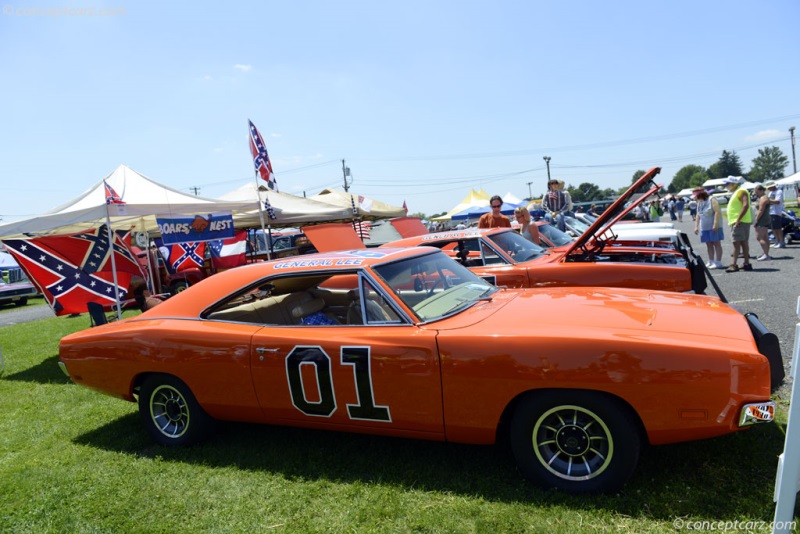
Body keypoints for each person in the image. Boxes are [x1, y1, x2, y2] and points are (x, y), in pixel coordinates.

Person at [723, 176, 752, 272]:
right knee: (743, 242)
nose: (726, 186)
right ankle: (746, 263)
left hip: (739, 221)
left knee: (736, 243)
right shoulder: (737, 192)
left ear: (733, 184)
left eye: (727, 184)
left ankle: (733, 264)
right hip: (741, 221)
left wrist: (738, 219)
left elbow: (745, 205)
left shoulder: (741, 191)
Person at [693, 187, 724, 269]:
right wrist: (696, 226)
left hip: (713, 225)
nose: (695, 198)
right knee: (709, 244)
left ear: (701, 194)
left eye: (696, 196)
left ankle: (718, 262)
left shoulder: (712, 199)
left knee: (716, 243)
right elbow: (697, 215)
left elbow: (717, 212)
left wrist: (715, 224)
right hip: (704, 227)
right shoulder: (699, 202)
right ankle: (711, 260)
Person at [752, 183, 772, 261]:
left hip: (762, 219)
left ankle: (766, 255)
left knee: (760, 237)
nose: (756, 193)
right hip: (765, 218)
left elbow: (761, 210)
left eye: (757, 192)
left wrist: (756, 220)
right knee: (765, 237)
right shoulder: (762, 198)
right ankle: (766, 253)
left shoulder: (763, 198)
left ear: (761, 190)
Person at [766, 180, 785, 249]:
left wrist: (768, 200)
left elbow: (777, 201)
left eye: (769, 187)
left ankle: (781, 242)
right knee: (773, 228)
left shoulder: (779, 192)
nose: (768, 189)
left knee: (778, 228)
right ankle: (777, 241)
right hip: (771, 212)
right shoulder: (770, 193)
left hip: (776, 212)